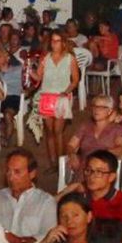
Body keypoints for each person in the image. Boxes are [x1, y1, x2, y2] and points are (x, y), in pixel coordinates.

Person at [0, 149, 57, 243]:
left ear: (32, 174)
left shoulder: (45, 203)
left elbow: (49, 237)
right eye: (8, 171)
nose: (11, 178)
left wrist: (19, 242)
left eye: (17, 172)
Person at [32, 32, 80, 171]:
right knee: (50, 131)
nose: (54, 44)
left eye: (57, 41)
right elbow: (38, 77)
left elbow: (75, 80)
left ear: (63, 43)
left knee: (58, 131)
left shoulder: (70, 59)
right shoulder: (45, 58)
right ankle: (53, 162)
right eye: (53, 41)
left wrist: (67, 91)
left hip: (61, 97)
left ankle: (61, 163)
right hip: (46, 97)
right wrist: (29, 70)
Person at [64, 95, 122, 183]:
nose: (96, 110)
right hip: (84, 169)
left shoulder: (116, 129)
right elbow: (71, 145)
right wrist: (72, 155)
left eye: (101, 107)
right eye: (95, 107)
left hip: (103, 170)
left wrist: (101, 154)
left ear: (109, 111)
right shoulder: (85, 126)